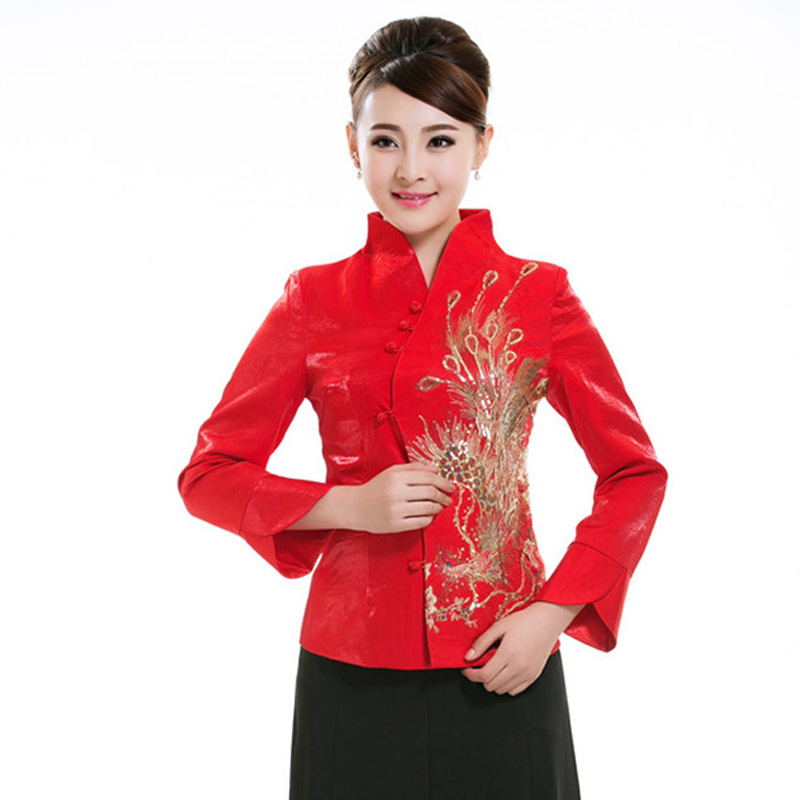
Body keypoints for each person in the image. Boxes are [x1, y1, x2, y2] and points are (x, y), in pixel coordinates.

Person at [178, 16, 667, 799]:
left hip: (506, 657)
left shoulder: (538, 295)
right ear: (352, 145)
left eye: (440, 140)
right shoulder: (313, 299)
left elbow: (635, 473)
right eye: (385, 141)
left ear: (482, 145)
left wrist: (552, 614)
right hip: (350, 671)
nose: (411, 169)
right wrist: (347, 505)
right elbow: (209, 475)